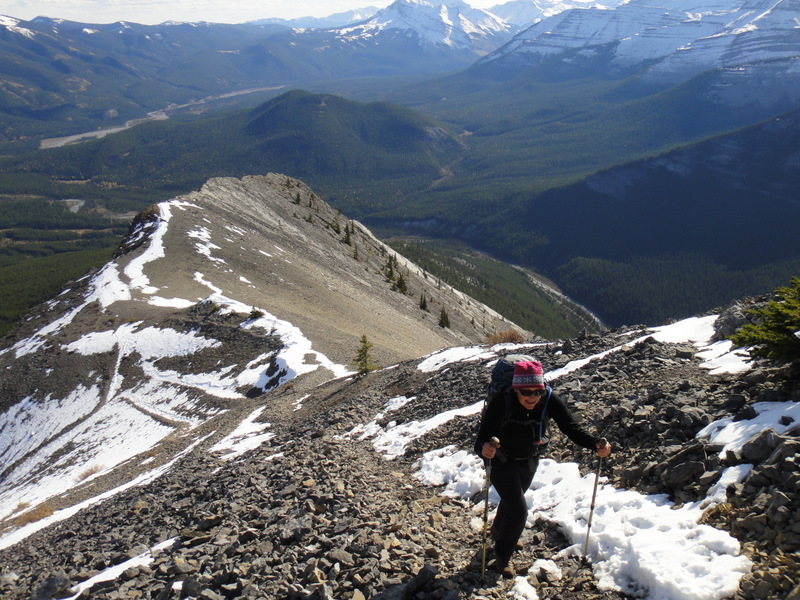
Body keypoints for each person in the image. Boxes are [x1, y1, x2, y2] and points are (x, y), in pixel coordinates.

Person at [474, 359, 611, 578]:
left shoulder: (548, 398)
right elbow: (480, 439)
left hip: (529, 459)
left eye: (536, 392)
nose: (532, 397)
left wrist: (594, 444)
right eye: (526, 392)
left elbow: (570, 427)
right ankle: (502, 557)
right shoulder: (502, 401)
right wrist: (485, 449)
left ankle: (500, 530)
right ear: (516, 389)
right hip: (500, 460)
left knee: (514, 499)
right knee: (519, 512)